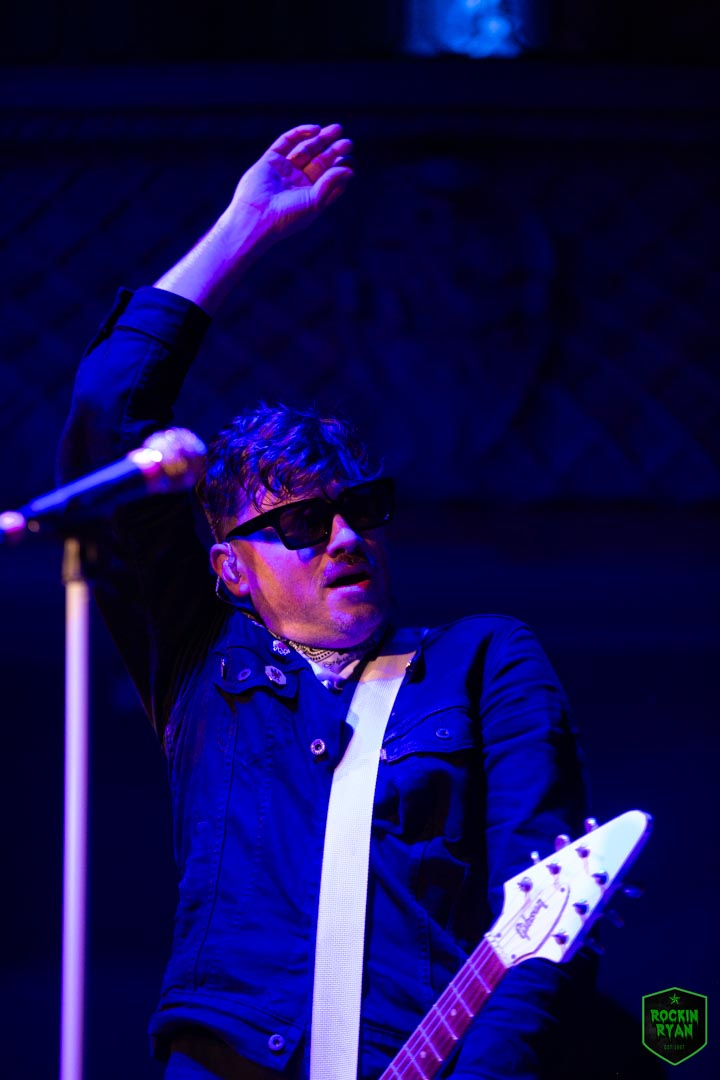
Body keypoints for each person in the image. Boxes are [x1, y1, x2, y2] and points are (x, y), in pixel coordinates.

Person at [59, 124, 590, 1079]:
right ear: (231, 572)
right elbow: (107, 412)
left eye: (361, 510)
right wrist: (243, 227)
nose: (344, 538)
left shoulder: (481, 663)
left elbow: (543, 935)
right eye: (302, 524)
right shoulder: (204, 664)